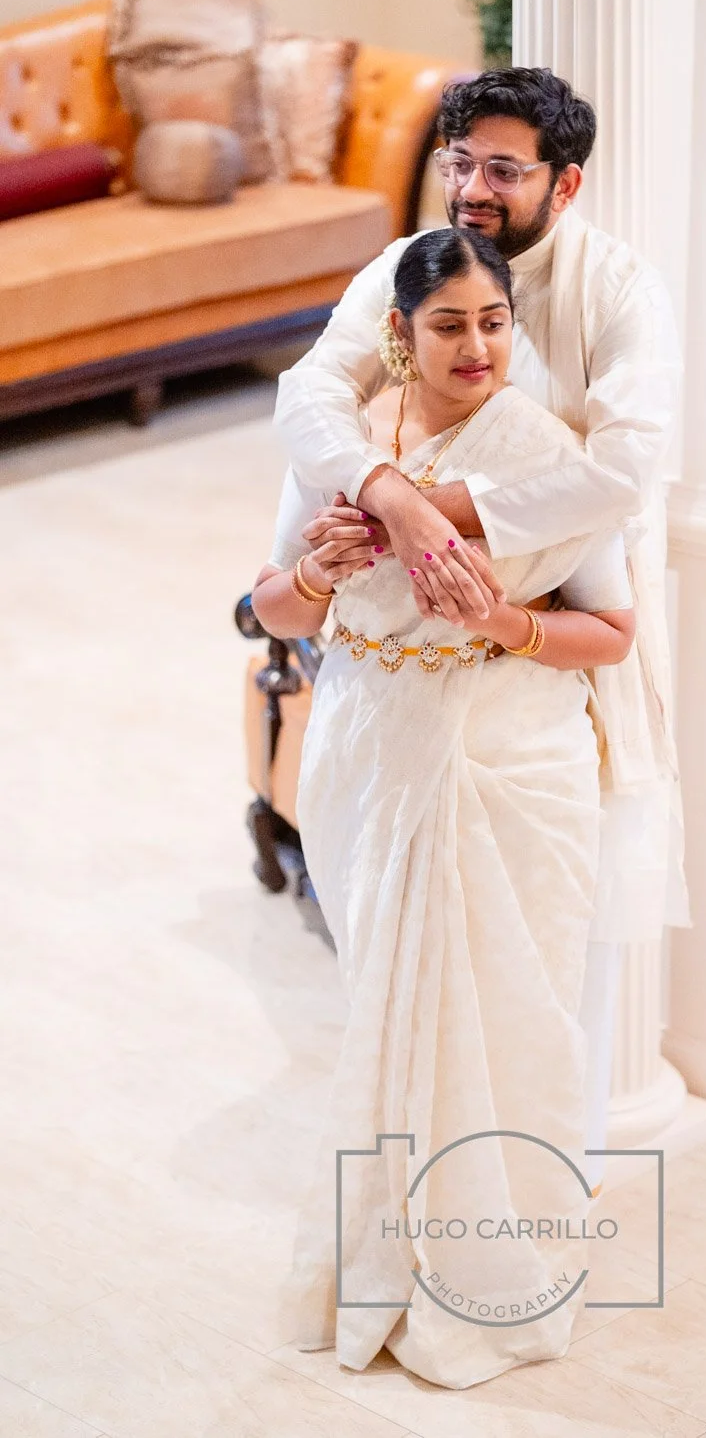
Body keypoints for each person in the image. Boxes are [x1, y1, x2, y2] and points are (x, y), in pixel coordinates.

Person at [275, 64, 690, 1281]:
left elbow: (623, 467)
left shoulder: (617, 288)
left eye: (501, 169)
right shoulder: (409, 263)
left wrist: (440, 516)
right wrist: (387, 495)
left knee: (537, 962)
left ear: (566, 180)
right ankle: (408, 1217)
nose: (471, 187)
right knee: (392, 971)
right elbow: (310, 399)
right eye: (460, 160)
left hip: (545, 663)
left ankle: (518, 1227)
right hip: (386, 677)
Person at [252, 227, 637, 1388]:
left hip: (502, 773)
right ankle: (385, 1256)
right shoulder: (340, 450)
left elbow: (611, 634)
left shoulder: (540, 457)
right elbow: (274, 609)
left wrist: (497, 622)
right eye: (449, 324)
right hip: (366, 764)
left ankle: (490, 1279)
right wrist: (317, 573)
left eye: (494, 321)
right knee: (387, 1015)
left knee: (499, 1019)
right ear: (398, 335)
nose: (477, 346)